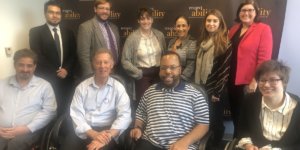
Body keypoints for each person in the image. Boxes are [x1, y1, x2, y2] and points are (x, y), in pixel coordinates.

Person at [130, 51, 209, 150]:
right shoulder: (150, 91)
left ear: (180, 70)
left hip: (181, 145)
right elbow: (141, 114)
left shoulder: (195, 94)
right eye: (163, 68)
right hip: (150, 143)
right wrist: (138, 128)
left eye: (172, 67)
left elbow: (203, 125)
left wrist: (185, 142)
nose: (167, 71)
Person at [61, 50, 131, 150]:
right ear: (93, 64)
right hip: (84, 129)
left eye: (106, 62)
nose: (102, 66)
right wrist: (93, 134)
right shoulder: (82, 87)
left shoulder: (119, 88)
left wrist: (107, 136)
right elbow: (76, 114)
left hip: (108, 130)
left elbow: (125, 115)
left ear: (111, 65)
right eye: (98, 62)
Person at [228, 0, 273, 136]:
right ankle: (237, 141)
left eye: (250, 10)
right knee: (235, 113)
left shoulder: (263, 29)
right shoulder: (234, 29)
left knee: (247, 117)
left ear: (256, 13)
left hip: (249, 82)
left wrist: (255, 80)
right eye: (243, 10)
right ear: (239, 13)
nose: (246, 13)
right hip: (231, 79)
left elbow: (264, 59)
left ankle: (246, 142)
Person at [235, 60, 300, 149]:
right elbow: (242, 129)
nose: (266, 85)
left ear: (284, 82)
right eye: (262, 80)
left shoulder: (298, 107)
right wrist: (248, 145)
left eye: (273, 80)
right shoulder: (250, 100)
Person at [0, 49, 57, 150]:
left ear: (35, 67)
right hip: (2, 130)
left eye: (29, 66)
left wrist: (27, 129)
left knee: (15, 145)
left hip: (30, 132)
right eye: (21, 65)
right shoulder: (2, 84)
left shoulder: (44, 86)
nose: (25, 69)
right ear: (15, 65)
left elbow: (50, 111)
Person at [29, 1, 76, 116]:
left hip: (67, 79)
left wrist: (66, 70)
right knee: (48, 111)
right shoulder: (35, 32)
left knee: (66, 109)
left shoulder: (69, 32)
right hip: (47, 79)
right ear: (45, 14)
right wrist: (56, 72)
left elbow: (73, 54)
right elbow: (37, 55)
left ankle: (63, 130)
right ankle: (49, 133)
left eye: (58, 13)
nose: (55, 15)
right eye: (51, 12)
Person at [194, 9, 232, 147]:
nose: (211, 23)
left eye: (215, 21)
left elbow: (225, 69)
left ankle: (216, 145)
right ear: (205, 23)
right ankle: (205, 142)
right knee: (203, 118)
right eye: (208, 21)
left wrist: (217, 92)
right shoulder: (202, 42)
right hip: (201, 87)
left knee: (215, 120)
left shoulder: (224, 42)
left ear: (220, 23)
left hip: (215, 90)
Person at [122, 8, 166, 109]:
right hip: (142, 76)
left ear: (152, 19)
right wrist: (138, 73)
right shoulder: (132, 38)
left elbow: (164, 55)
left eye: (148, 18)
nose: (146, 21)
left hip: (159, 75)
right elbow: (125, 60)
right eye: (142, 19)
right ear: (138, 21)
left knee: (160, 103)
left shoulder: (160, 35)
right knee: (144, 105)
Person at [77, 0, 122, 79]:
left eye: (107, 9)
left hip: (115, 72)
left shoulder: (114, 27)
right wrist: (90, 77)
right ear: (95, 9)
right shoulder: (86, 27)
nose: (105, 11)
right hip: (97, 74)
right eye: (101, 8)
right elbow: (83, 55)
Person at [168, 15, 196, 82]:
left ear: (188, 27)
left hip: (183, 81)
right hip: (169, 78)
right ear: (175, 27)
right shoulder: (171, 42)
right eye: (178, 26)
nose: (181, 29)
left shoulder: (192, 43)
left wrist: (179, 80)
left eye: (183, 26)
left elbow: (190, 67)